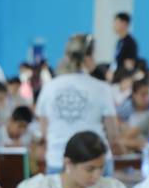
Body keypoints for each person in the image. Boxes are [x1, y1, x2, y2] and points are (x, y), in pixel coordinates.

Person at [36, 34, 118, 173]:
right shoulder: (102, 88)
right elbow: (113, 134)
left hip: (58, 160)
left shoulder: (49, 87)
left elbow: (44, 132)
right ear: (89, 57)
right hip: (96, 164)